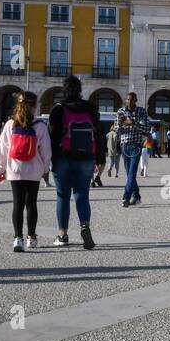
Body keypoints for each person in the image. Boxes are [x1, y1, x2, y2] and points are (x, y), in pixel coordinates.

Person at [48, 75, 105, 246]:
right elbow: (99, 134)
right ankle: (85, 227)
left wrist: (49, 159)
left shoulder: (58, 108)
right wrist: (100, 158)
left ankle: (62, 235)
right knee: (82, 195)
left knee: (62, 196)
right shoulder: (90, 108)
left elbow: (52, 136)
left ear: (64, 89)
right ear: (80, 89)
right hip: (86, 157)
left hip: (63, 157)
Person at [0, 91, 52, 252]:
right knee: (31, 204)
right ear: (34, 106)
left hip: (14, 169)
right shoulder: (40, 126)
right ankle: (32, 238)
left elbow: (2, 149)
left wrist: (1, 168)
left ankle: (17, 238)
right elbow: (46, 151)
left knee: (17, 204)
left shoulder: (10, 124)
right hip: (33, 170)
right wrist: (45, 169)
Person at [115, 90, 150, 208]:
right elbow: (116, 129)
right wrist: (120, 125)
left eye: (132, 99)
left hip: (136, 146)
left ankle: (126, 197)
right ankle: (137, 196)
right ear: (126, 100)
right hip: (124, 146)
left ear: (136, 100)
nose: (129, 101)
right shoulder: (121, 112)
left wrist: (132, 122)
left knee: (132, 173)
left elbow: (146, 128)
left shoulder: (141, 111)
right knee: (129, 174)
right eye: (128, 99)